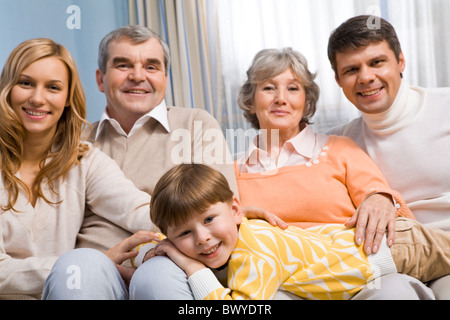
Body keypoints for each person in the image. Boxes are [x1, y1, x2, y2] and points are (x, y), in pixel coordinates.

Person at [44, 25, 241, 300]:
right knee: (77, 267)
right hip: (96, 269)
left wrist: (169, 255)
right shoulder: (74, 141)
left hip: (169, 265)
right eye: (123, 65)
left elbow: (219, 221)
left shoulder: (196, 124)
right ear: (100, 79)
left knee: (156, 275)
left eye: (151, 66)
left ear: (165, 78)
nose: (138, 76)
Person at [232, 47, 428, 300]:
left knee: (395, 293)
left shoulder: (340, 148)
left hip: (361, 278)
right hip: (283, 285)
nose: (281, 98)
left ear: (307, 100)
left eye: (293, 88)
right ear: (250, 100)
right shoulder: (231, 172)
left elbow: (384, 203)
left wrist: (380, 198)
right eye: (269, 88)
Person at [137, 163, 450, 300]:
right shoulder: (242, 231)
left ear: (235, 209)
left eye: (208, 221)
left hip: (396, 248)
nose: (202, 238)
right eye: (184, 234)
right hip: (381, 250)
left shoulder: (252, 253)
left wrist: (190, 266)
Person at [0, 38, 156, 299]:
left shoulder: (84, 161)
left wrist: (219, 219)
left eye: (53, 87)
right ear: (7, 88)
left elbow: (140, 209)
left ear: (68, 99)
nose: (38, 98)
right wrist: (79, 266)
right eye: (26, 83)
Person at [327, 15, 450, 299]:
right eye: (351, 69)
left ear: (401, 61)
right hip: (391, 266)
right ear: (338, 80)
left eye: (377, 62)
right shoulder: (337, 143)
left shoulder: (445, 108)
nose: (366, 77)